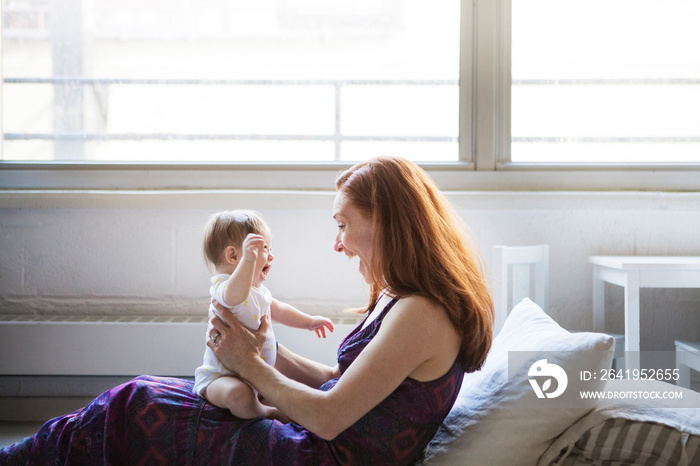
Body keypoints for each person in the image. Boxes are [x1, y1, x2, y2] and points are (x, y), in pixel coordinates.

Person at [0, 156, 494, 465]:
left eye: (343, 224)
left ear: (385, 219)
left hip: (321, 451)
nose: (338, 244)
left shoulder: (422, 314)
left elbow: (328, 415)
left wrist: (249, 364)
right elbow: (342, 380)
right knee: (140, 398)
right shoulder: (406, 301)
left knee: (137, 404)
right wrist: (260, 352)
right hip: (319, 437)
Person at [195, 210, 335, 420]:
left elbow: (279, 309)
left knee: (284, 392)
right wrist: (248, 262)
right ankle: (265, 412)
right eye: (263, 248)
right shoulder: (223, 286)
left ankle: (261, 403)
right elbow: (234, 296)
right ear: (234, 256)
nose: (271, 255)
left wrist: (309, 322)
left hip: (254, 378)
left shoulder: (258, 292)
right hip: (219, 379)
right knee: (238, 395)